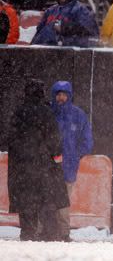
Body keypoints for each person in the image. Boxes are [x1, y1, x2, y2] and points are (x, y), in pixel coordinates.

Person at [6, 79, 69, 241]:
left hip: (22, 167)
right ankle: (49, 233)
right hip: (43, 165)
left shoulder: (19, 112)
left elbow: (11, 139)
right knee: (46, 200)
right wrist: (56, 157)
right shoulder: (46, 112)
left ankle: (27, 232)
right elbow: (54, 138)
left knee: (26, 201)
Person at [51, 80, 94, 242]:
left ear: (69, 96)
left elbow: (87, 141)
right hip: (49, 166)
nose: (61, 98)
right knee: (47, 199)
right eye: (58, 94)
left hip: (68, 165)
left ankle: (63, 233)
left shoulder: (78, 115)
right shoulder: (48, 112)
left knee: (63, 201)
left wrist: (76, 155)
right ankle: (47, 230)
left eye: (64, 94)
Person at [31, 0, 99, 47]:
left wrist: (65, 28)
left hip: (64, 55)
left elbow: (91, 33)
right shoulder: (50, 11)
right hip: (41, 53)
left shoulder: (80, 10)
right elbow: (38, 34)